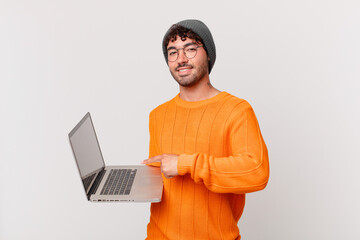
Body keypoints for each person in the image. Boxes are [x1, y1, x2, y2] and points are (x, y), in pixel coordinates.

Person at [142, 19, 269, 240]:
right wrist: (133, 183)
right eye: (173, 52)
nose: (181, 59)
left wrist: (186, 164)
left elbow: (256, 172)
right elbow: (163, 179)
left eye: (190, 49)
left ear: (208, 54)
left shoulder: (236, 110)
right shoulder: (157, 115)